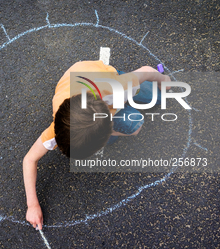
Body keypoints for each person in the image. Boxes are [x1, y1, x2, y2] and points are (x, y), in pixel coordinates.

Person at [23, 60, 171, 230]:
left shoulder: (118, 89)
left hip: (103, 75)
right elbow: (29, 159)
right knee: (130, 124)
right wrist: (32, 205)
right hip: (74, 81)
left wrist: (163, 79)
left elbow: (147, 71)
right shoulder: (60, 126)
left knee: (152, 105)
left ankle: (121, 74)